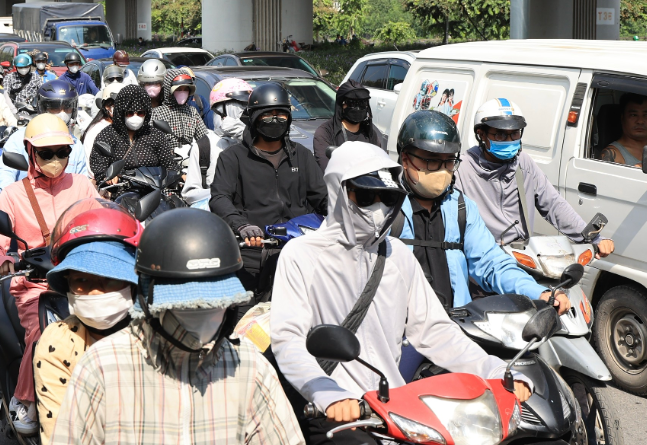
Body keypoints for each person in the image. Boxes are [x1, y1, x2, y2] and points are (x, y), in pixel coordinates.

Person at [270, 142, 532, 445]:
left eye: (388, 196)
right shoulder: (302, 255)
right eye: (366, 196)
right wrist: (327, 393)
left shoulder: (397, 255)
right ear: (337, 192)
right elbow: (288, 339)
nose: (379, 206)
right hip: (333, 410)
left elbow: (435, 330)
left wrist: (495, 369)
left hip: (393, 407)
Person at [51, 209, 304, 445]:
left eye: (214, 303)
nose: (201, 315)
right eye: (185, 305)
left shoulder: (250, 368)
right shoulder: (102, 367)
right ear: (147, 299)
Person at [0, 114, 98, 436]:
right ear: (31, 152)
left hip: (82, 277)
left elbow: (105, 219)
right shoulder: (13, 195)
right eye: (47, 154)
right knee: (45, 332)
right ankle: (27, 399)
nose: (56, 160)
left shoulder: (84, 186)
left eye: (62, 152)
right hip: (35, 281)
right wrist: (4, 261)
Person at [393, 110, 570, 312]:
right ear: (405, 159)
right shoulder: (387, 209)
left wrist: (537, 291)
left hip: (452, 328)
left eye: (449, 161)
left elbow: (490, 262)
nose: (442, 171)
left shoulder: (461, 208)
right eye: (431, 161)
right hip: (400, 330)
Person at [34, 200, 142, 444]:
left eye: (110, 279)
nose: (94, 291)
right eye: (81, 280)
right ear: (68, 284)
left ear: (134, 285)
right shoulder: (59, 343)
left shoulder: (156, 335)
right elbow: (58, 431)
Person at [210, 82, 327, 299]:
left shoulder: (302, 155)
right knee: (244, 322)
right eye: (268, 115)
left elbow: (322, 197)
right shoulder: (232, 157)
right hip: (252, 253)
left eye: (281, 114)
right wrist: (242, 225)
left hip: (299, 252)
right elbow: (219, 198)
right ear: (254, 118)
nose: (275, 120)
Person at [456, 98, 614, 257]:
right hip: (481, 259)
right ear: (481, 134)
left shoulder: (523, 163)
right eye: (500, 135)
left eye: (515, 133)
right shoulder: (462, 170)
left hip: (521, 256)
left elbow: (553, 204)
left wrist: (593, 238)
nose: (510, 141)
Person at [0, 81, 91, 190]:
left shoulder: (75, 144)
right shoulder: (19, 139)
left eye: (67, 107)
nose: (62, 113)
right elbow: (5, 177)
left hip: (66, 204)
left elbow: (82, 182)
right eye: (56, 107)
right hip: (27, 203)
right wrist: (16, 201)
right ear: (42, 108)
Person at [182, 78, 252, 208]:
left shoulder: (257, 142)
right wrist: (221, 195)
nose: (245, 110)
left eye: (247, 105)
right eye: (240, 105)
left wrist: (247, 136)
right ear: (220, 108)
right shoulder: (205, 145)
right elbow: (190, 194)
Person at [89, 84, 178, 184]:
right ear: (121, 112)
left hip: (155, 190)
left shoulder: (155, 135)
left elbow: (170, 166)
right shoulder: (107, 135)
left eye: (140, 113)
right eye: (130, 113)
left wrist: (178, 177)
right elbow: (99, 167)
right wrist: (108, 177)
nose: (135, 117)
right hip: (121, 193)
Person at [313, 80, 385, 172]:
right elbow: (325, 167)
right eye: (352, 103)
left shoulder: (370, 133)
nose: (358, 107)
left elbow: (381, 164)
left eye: (362, 103)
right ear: (342, 105)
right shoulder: (325, 132)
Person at [151, 68, 209, 151]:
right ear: (169, 90)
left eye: (185, 89)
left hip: (189, 159)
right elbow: (151, 143)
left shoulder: (192, 112)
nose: (182, 92)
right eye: (178, 89)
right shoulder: (157, 113)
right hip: (166, 160)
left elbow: (203, 137)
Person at [81, 82, 124, 164]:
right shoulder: (97, 130)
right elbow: (93, 166)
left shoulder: (123, 127)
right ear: (108, 106)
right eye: (120, 104)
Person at [601, 92, 647, 167]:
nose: (640, 121)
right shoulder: (613, 154)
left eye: (646, 115)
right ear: (622, 118)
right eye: (633, 115)